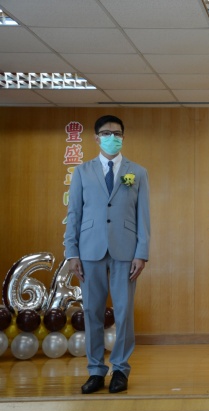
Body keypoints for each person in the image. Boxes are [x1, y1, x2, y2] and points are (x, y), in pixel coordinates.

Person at [64, 115, 150, 394]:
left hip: (126, 250)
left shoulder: (137, 172)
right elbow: (74, 213)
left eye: (117, 133)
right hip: (89, 249)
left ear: (123, 137)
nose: (112, 137)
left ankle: (120, 369)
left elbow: (143, 216)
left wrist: (142, 252)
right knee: (92, 311)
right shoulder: (82, 171)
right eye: (106, 133)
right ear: (96, 137)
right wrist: (71, 252)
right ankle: (95, 370)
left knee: (124, 312)